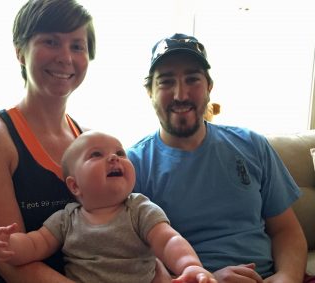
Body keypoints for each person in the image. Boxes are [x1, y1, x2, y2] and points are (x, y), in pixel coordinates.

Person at [127, 33, 310, 283]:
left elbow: (286, 230)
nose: (180, 94)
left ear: (209, 87)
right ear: (150, 91)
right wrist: (206, 279)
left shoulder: (252, 144)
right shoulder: (132, 166)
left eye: (192, 79)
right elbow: (132, 259)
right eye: (166, 82)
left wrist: (286, 278)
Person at [0, 0, 96, 282]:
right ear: (20, 52)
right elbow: (13, 265)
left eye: (77, 46)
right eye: (51, 41)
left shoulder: (91, 141)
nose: (65, 57)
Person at [0, 130, 217, 283]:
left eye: (119, 153)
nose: (114, 158)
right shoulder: (66, 219)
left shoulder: (139, 209)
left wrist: (190, 266)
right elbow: (36, 243)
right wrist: (9, 246)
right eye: (96, 155)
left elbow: (168, 240)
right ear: (75, 186)